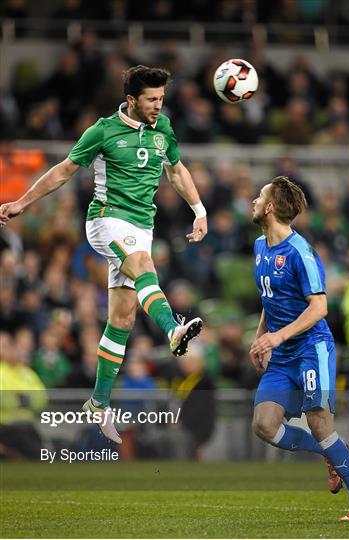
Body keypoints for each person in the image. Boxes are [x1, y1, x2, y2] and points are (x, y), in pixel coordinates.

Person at [0, 65, 207, 445]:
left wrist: (199, 211)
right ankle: (172, 329)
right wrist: (23, 202)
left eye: (161, 98)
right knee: (145, 266)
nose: (158, 106)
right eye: (151, 100)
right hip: (106, 221)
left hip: (141, 229)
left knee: (123, 319)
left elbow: (176, 171)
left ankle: (98, 402)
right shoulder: (103, 131)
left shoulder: (163, 129)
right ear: (131, 100)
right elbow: (64, 171)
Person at [249, 176, 349, 522]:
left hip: (311, 348)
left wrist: (277, 337)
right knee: (264, 425)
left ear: (271, 207)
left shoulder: (300, 252)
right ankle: (331, 454)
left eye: (259, 196)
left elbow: (319, 307)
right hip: (282, 354)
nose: (254, 201)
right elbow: (270, 299)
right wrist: (261, 336)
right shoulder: (261, 247)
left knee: (321, 424)